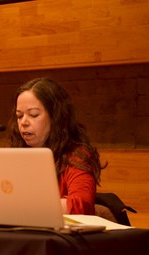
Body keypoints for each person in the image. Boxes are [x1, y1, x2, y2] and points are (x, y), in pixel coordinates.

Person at [8, 77, 106, 215]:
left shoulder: (77, 155)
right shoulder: (17, 155)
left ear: (55, 117)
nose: (23, 122)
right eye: (19, 116)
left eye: (33, 115)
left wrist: (27, 208)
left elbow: (81, 204)